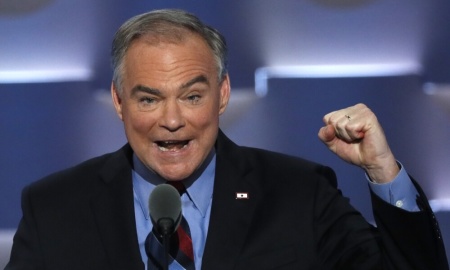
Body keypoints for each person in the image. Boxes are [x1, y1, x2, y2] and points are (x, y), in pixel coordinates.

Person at [5, 8, 448, 270]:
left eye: (192, 96)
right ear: (119, 102)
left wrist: (382, 170)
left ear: (223, 95)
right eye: (149, 99)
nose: (172, 120)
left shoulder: (299, 193)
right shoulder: (54, 207)